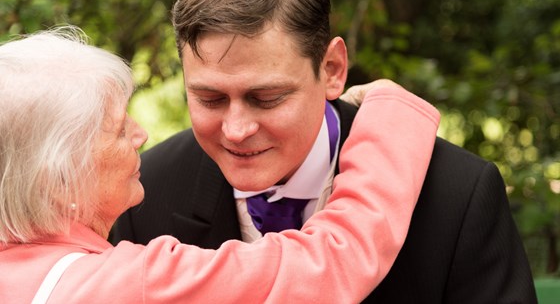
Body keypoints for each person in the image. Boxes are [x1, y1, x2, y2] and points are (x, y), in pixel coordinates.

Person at [113, 0, 537, 303]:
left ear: (332, 69)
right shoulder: (146, 196)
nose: (236, 129)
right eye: (210, 98)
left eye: (266, 98)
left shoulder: (457, 196)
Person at [0, 27, 440, 303]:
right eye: (117, 130)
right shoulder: (129, 283)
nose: (141, 134)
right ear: (58, 177)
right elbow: (330, 266)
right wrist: (392, 114)